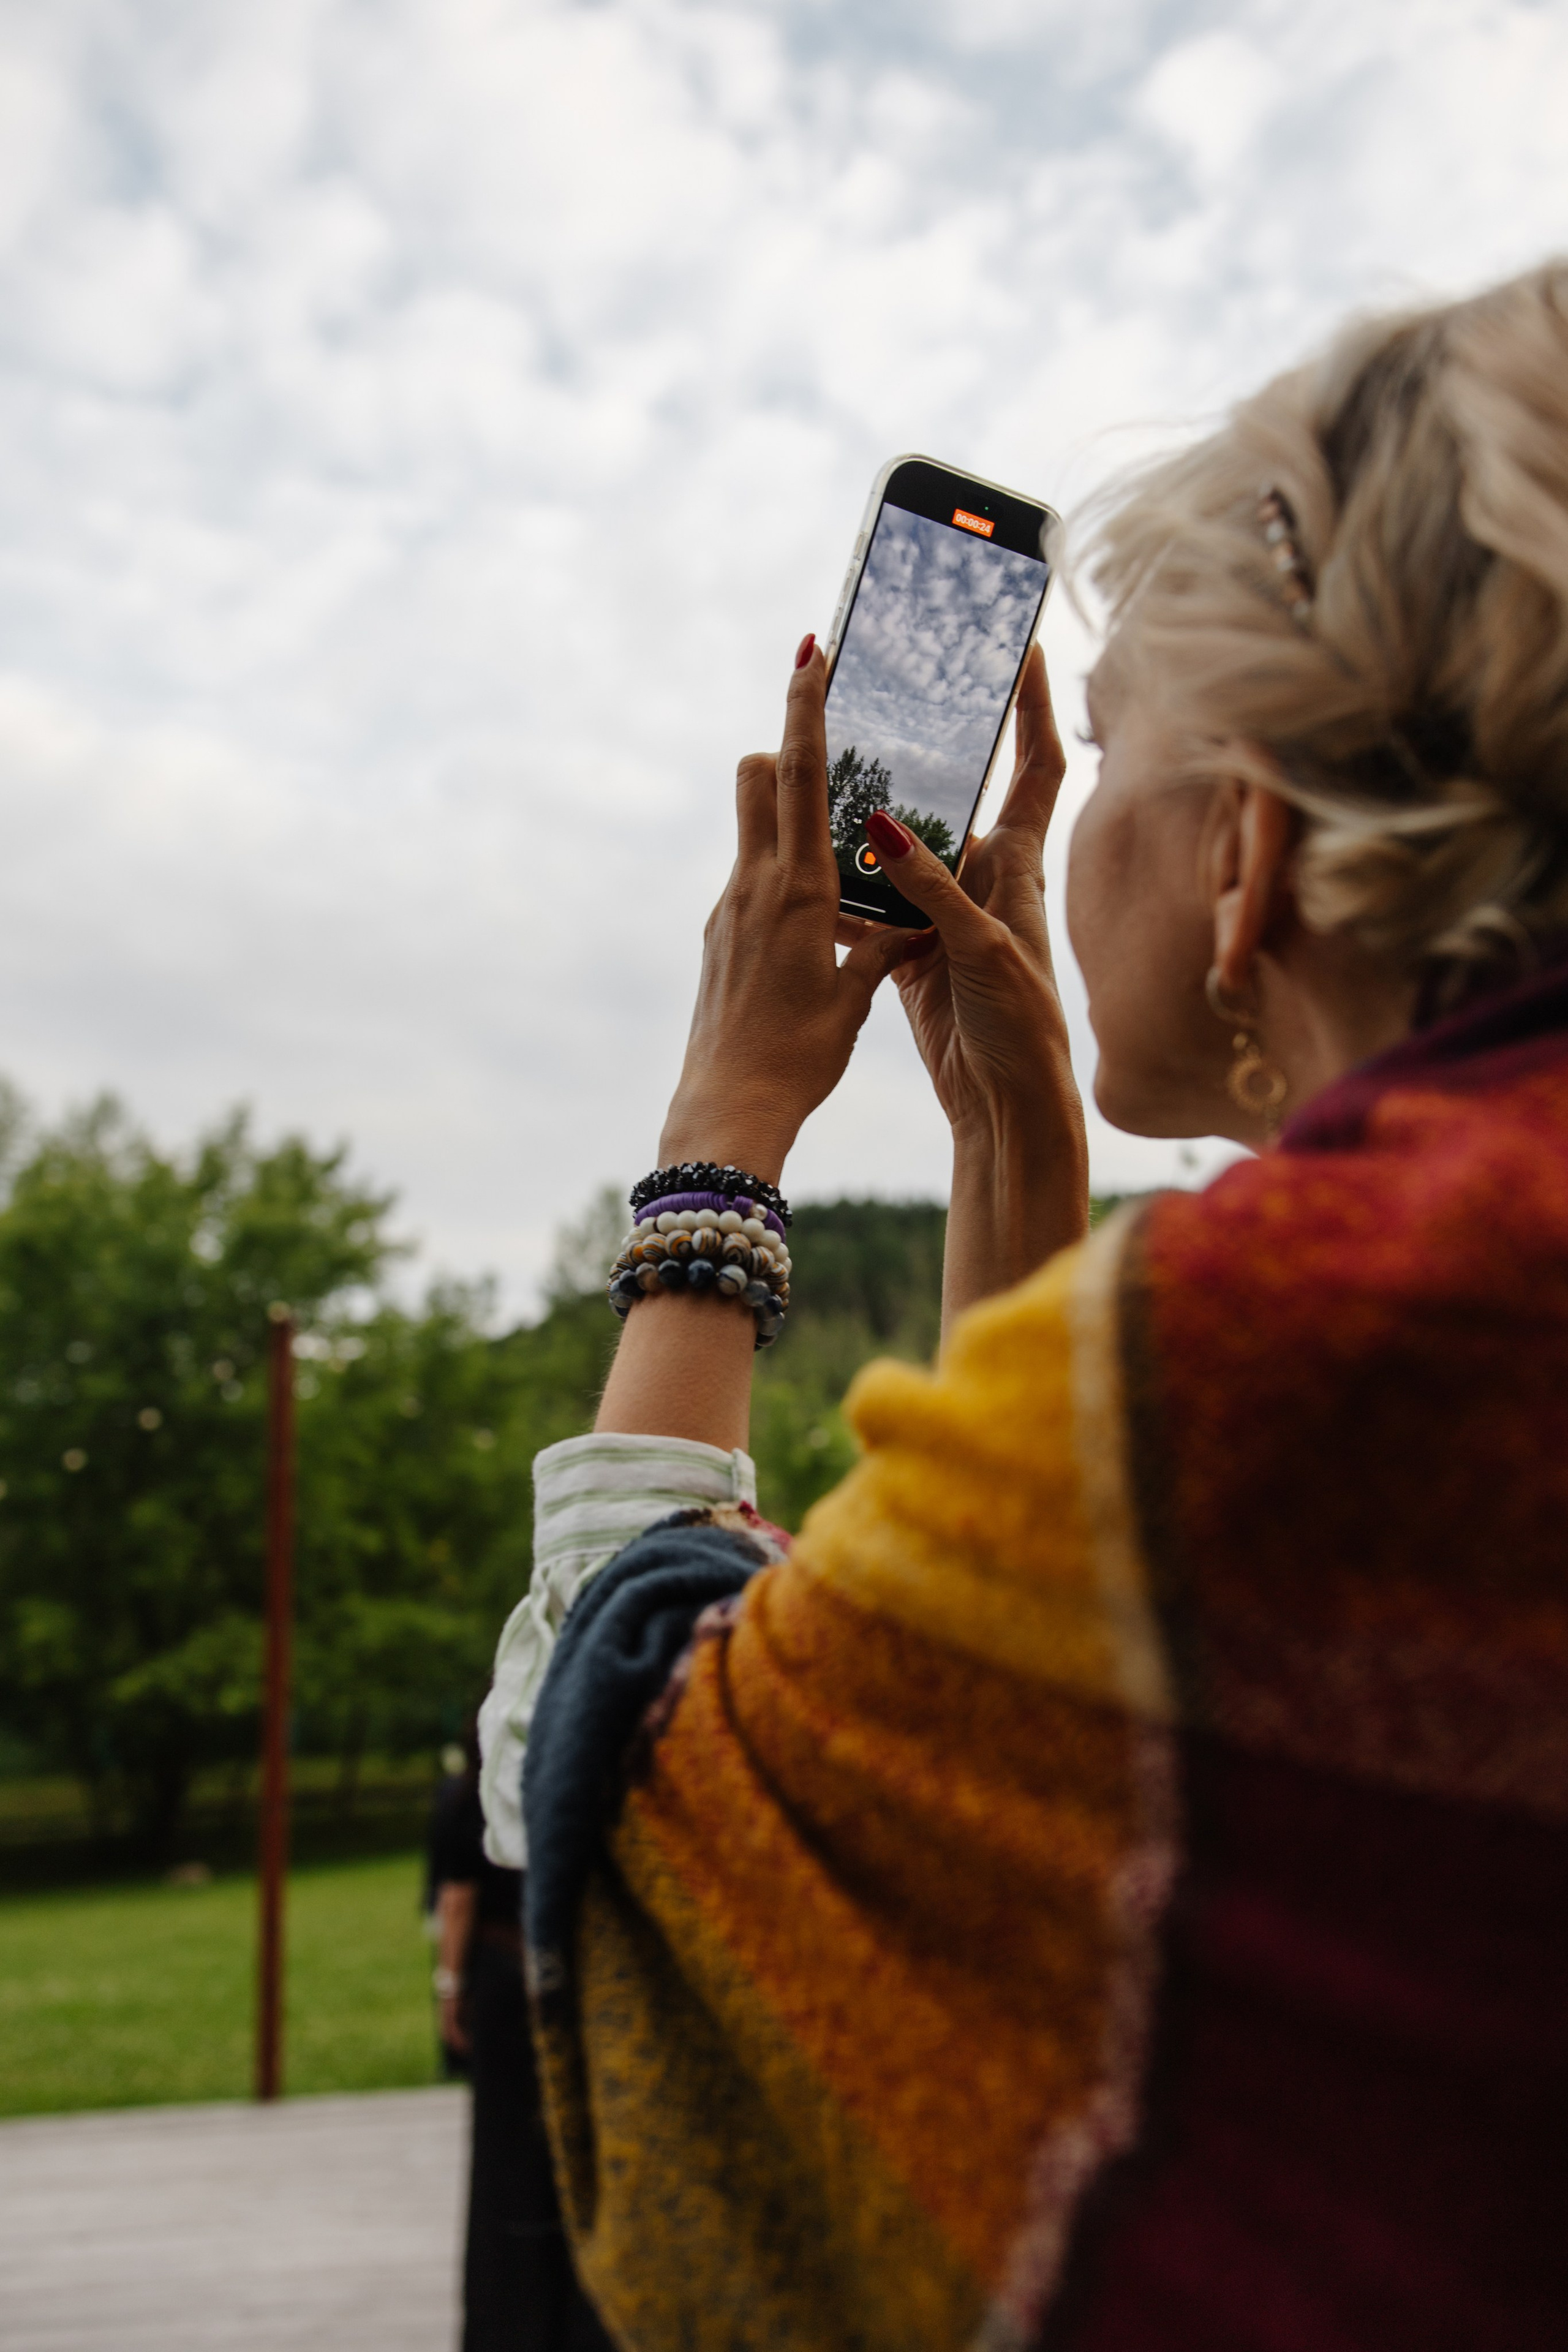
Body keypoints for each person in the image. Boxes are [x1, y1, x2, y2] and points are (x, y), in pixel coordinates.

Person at [480, 263, 1568, 2348]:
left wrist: (725, 1129)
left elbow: (608, 1803)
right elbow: (1028, 1720)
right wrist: (1016, 1157)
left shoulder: (1321, 1351)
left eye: (1127, 728)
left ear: (1245, 848)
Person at [428, 1724, 613, 2351]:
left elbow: (457, 1900)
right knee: (583, 2145)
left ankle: (509, 2325)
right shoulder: (585, 1768)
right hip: (578, 1977)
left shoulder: (473, 1794)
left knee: (507, 2155)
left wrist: (450, 1988)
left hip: (504, 1980)